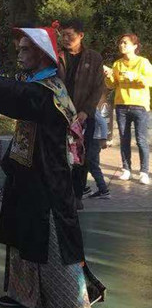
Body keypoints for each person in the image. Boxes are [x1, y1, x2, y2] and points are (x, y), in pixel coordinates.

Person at [0, 26, 106, 308]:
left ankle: (64, 300)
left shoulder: (47, 90)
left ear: (42, 55)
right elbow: (14, 93)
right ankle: (24, 295)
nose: (19, 54)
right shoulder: (37, 84)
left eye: (25, 49)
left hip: (47, 178)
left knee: (46, 236)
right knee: (21, 234)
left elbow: (13, 94)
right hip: (27, 174)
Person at [59, 18, 104, 207]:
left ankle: (77, 195)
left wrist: (86, 111)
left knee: (80, 156)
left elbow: (98, 87)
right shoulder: (57, 56)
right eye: (63, 35)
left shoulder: (94, 58)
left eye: (70, 35)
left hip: (84, 116)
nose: (66, 39)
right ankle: (61, 194)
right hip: (60, 113)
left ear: (81, 35)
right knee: (60, 155)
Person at [103, 33, 152, 185]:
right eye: (120, 43)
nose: (122, 45)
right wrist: (108, 75)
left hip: (140, 106)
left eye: (125, 43)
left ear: (135, 46)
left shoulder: (143, 62)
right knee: (124, 139)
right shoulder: (117, 64)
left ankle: (144, 172)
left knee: (141, 140)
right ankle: (126, 169)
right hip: (121, 106)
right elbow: (111, 85)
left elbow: (149, 80)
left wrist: (134, 76)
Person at [86, 98, 111, 199]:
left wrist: (104, 139)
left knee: (92, 165)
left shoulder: (91, 108)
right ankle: (85, 188)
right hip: (91, 140)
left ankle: (103, 189)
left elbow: (103, 123)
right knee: (87, 164)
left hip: (94, 140)